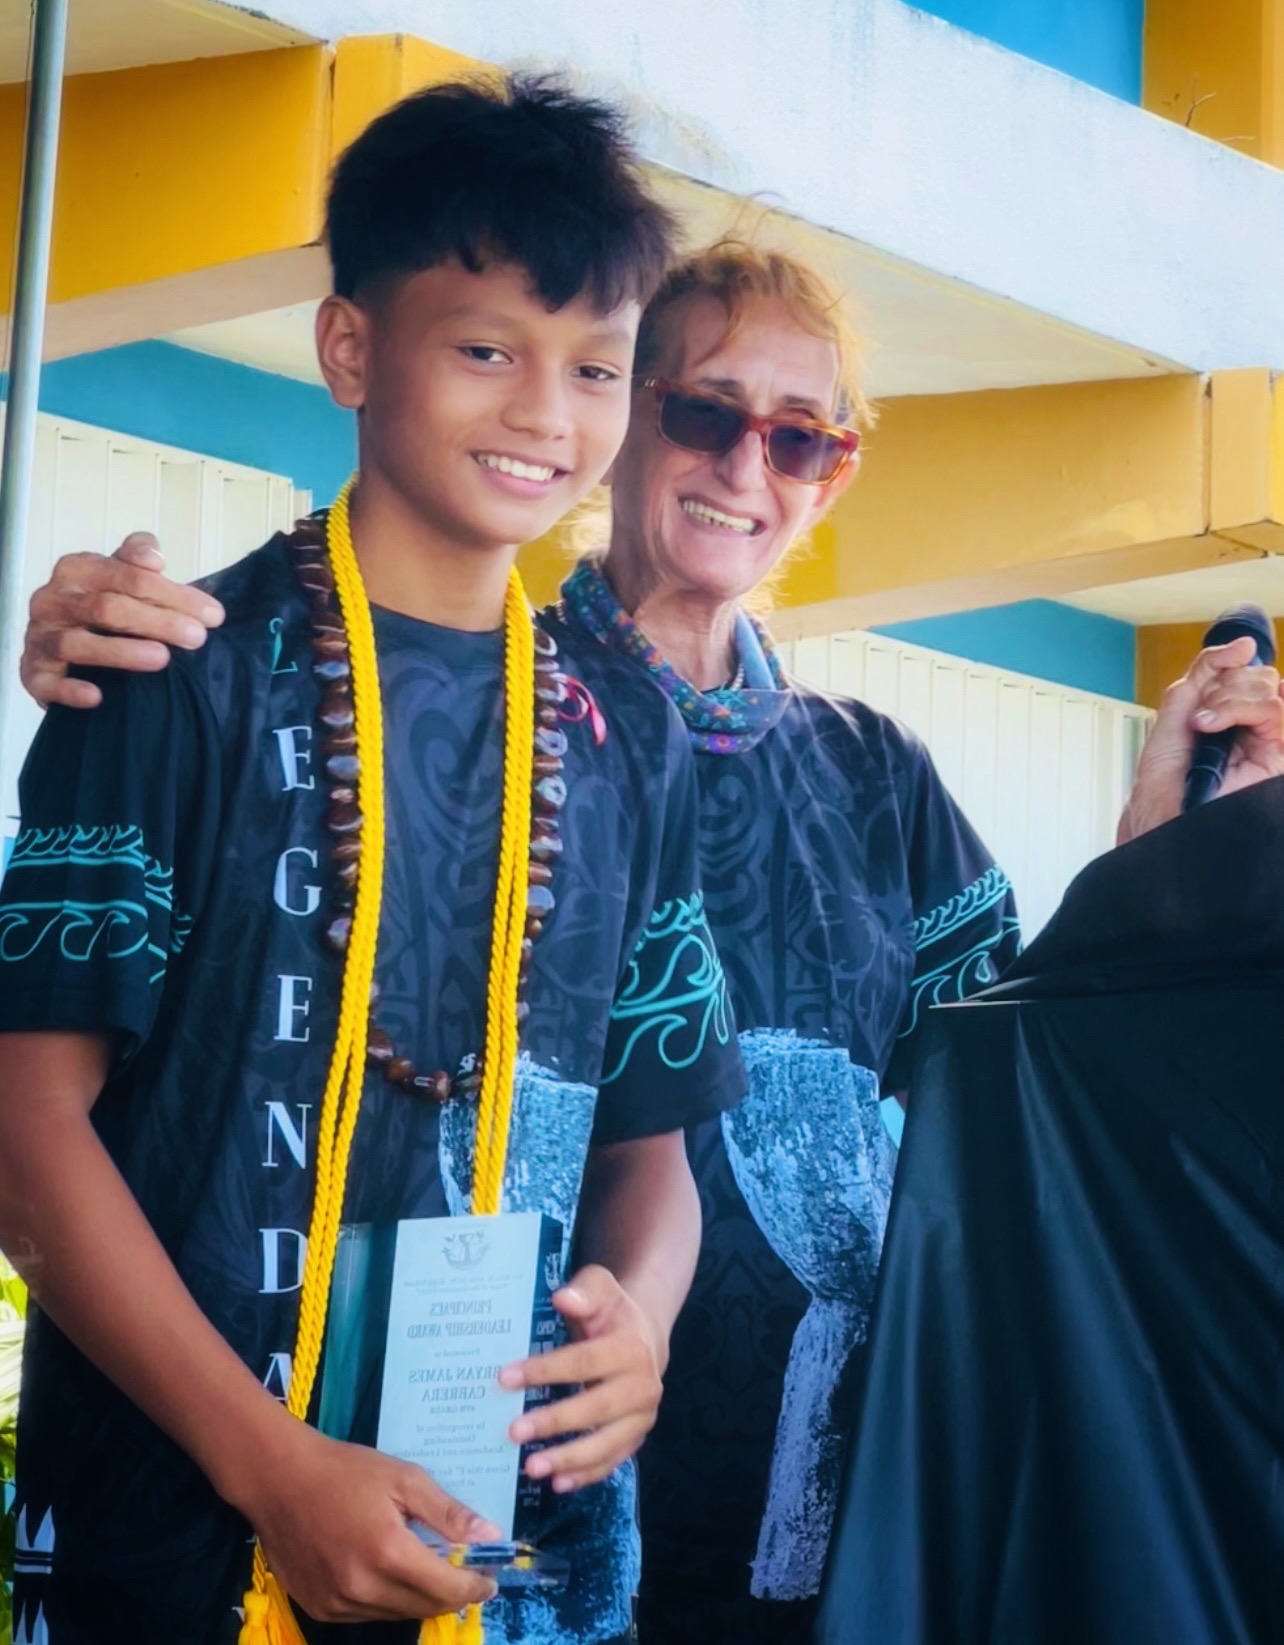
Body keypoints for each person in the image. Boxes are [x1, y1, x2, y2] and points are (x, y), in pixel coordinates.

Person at [20, 242, 1284, 1645]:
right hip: (500, 1510)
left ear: (838, 473)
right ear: (626, 422)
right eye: (708, 412)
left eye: (801, 436)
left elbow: (1025, 1088)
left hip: (811, 1536)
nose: (752, 466)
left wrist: (1162, 844)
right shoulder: (462, 700)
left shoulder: (877, 775)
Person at [0, 78, 747, 1645]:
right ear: (352, 347)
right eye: (486, 348)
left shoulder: (631, 730)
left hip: (498, 1561)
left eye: (596, 366)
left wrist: (646, 1324)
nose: (547, 413)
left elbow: (649, 1149)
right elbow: (21, 1125)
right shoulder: (170, 669)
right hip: (178, 1554)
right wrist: (270, 1464)